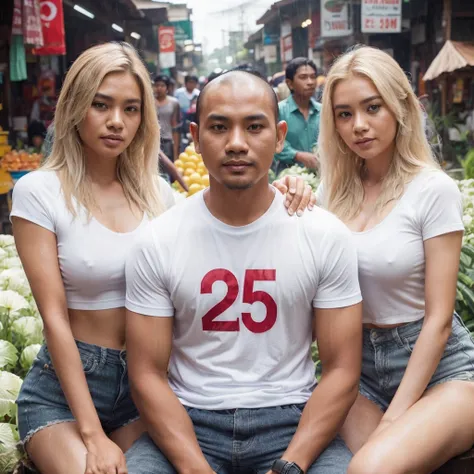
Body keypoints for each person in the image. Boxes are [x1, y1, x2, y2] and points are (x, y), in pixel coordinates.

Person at [124, 69, 363, 474]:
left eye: (255, 127)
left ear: (280, 135)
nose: (237, 143)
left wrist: (292, 464)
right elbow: (146, 373)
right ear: (196, 138)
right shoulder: (158, 240)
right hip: (189, 420)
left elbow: (342, 370)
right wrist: (195, 467)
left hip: (292, 423)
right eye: (219, 127)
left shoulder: (323, 235)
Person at [11, 42, 177, 474]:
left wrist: (287, 194)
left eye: (131, 108)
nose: (116, 121)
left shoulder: (160, 196)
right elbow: (54, 318)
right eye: (100, 105)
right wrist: (92, 435)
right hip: (64, 395)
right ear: (74, 108)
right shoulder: (39, 192)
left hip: (145, 386)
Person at [315, 46, 474, 474]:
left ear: (401, 106)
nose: (359, 126)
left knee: (370, 468)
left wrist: (392, 418)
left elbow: (440, 320)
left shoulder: (432, 190)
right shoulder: (333, 194)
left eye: (372, 108)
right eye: (344, 114)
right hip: (359, 370)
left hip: (442, 372)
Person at [273, 58, 320, 174]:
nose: (310, 82)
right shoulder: (279, 110)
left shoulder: (323, 111)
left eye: (313, 77)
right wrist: (297, 155)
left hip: (320, 177)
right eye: (303, 77)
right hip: (289, 176)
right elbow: (273, 142)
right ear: (290, 83)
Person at [154, 74, 180, 162]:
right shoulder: (149, 102)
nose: (159, 88)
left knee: (167, 169)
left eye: (162, 85)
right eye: (157, 85)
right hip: (152, 140)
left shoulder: (174, 103)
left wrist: (176, 152)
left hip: (167, 141)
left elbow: (175, 126)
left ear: (167, 88)